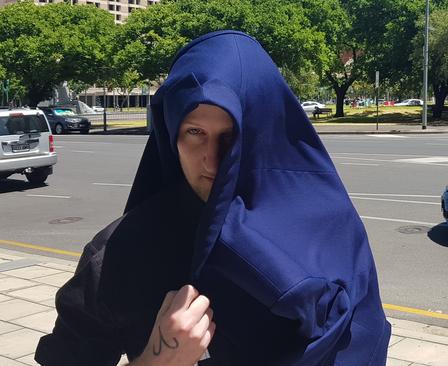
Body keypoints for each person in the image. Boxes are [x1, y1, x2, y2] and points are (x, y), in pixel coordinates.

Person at [35, 30, 391, 366]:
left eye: (230, 135)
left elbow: (367, 336)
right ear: (170, 135)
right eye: (194, 132)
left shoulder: (333, 230)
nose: (212, 160)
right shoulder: (121, 252)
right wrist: (156, 360)